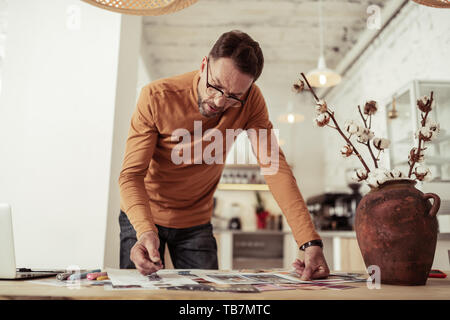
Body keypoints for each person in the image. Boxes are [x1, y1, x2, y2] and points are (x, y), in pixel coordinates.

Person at [118, 30, 330, 281]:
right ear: (204, 64)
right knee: (137, 295)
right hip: (143, 217)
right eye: (215, 86)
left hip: (196, 223)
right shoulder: (156, 97)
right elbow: (131, 176)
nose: (219, 101)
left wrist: (308, 240)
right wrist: (144, 230)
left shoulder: (251, 101)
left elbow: (275, 169)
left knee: (207, 298)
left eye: (233, 97)